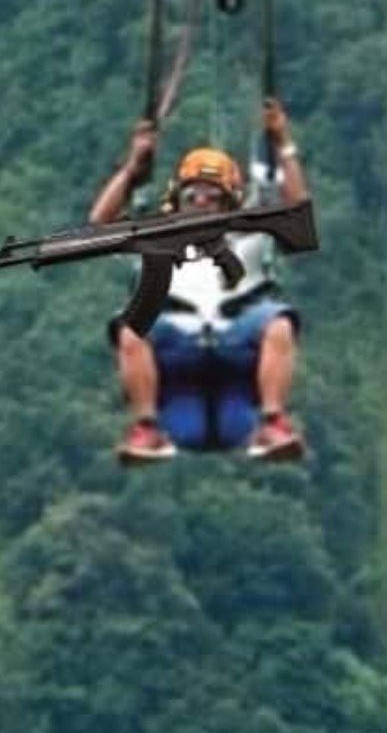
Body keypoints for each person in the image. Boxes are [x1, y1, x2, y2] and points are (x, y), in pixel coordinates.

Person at [90, 98, 310, 464]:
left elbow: (298, 214)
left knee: (279, 323)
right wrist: (132, 168)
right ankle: (146, 428)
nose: (202, 202)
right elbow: (99, 226)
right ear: (178, 200)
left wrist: (283, 145)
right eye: (193, 195)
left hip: (237, 344)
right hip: (178, 353)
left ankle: (273, 421)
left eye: (213, 196)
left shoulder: (252, 236)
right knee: (132, 326)